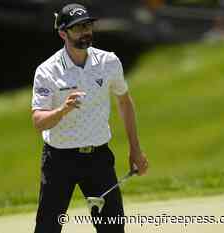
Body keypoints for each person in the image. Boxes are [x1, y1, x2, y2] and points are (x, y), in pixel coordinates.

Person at [31, 3, 148, 233]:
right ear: (63, 33)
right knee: (47, 228)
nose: (86, 32)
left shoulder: (108, 62)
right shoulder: (47, 71)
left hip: (98, 160)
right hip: (59, 160)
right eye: (78, 28)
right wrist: (62, 110)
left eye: (88, 25)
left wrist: (135, 149)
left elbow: (124, 102)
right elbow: (38, 121)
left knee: (113, 228)